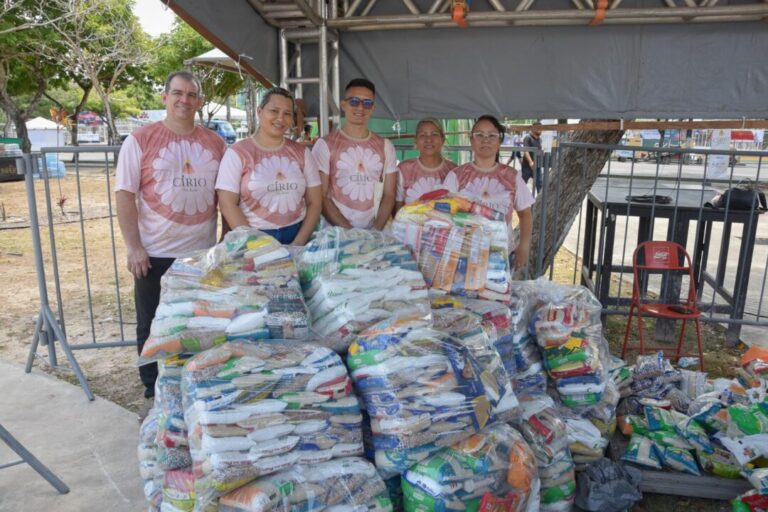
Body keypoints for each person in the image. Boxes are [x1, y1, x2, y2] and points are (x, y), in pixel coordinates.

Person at [115, 71, 227, 403]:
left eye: (192, 95)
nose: (185, 100)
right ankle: (153, 389)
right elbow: (124, 195)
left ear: (200, 102)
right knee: (151, 324)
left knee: (199, 322)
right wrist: (134, 247)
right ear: (164, 97)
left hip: (201, 255)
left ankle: (194, 384)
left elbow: (227, 195)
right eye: (178, 93)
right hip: (155, 252)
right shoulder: (140, 140)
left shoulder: (216, 144)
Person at [215, 87, 322, 246]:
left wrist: (299, 242)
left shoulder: (302, 153)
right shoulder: (238, 153)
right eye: (274, 111)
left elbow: (315, 202)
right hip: (252, 238)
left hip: (297, 234)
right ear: (259, 111)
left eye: (287, 113)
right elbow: (227, 204)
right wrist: (254, 244)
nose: (280, 118)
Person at [443, 115, 534, 271]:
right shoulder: (456, 176)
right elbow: (443, 214)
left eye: (492, 135)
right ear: (471, 140)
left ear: (499, 141)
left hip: (500, 257)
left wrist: (524, 246)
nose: (485, 140)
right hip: (461, 256)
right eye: (479, 135)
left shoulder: (512, 177)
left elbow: (525, 214)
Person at [312, 78, 397, 229]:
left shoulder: (385, 146)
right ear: (343, 105)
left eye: (367, 103)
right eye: (354, 101)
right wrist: (350, 232)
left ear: (373, 108)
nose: (360, 107)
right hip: (336, 233)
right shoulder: (325, 145)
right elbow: (321, 195)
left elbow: (389, 194)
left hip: (374, 235)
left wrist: (375, 231)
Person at [394, 117, 457, 213]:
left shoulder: (453, 170)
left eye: (434, 134)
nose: (429, 139)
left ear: (442, 139)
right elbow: (397, 210)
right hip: (409, 227)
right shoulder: (404, 169)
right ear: (416, 140)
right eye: (423, 135)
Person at [521, 123, 543, 192]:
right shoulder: (528, 137)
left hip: (537, 166)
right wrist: (530, 162)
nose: (541, 130)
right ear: (533, 128)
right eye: (539, 128)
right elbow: (526, 150)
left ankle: (540, 202)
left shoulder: (539, 139)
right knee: (523, 183)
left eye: (541, 128)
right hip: (527, 166)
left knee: (539, 183)